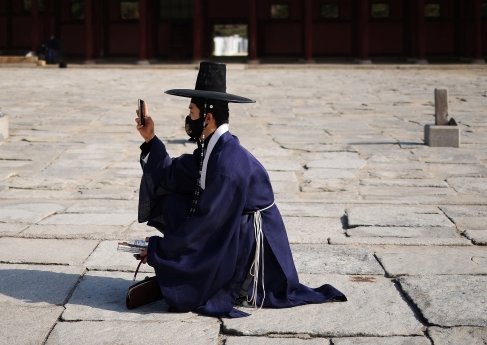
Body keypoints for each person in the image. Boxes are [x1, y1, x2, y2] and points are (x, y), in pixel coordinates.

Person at [135, 61, 345, 318]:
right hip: (231, 223)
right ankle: (183, 274)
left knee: (192, 249)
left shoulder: (226, 164)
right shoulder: (212, 149)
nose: (188, 118)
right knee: (174, 202)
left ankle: (207, 282)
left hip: (252, 239)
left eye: (191, 112)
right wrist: (150, 139)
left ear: (208, 117)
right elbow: (171, 174)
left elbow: (207, 225)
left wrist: (161, 248)